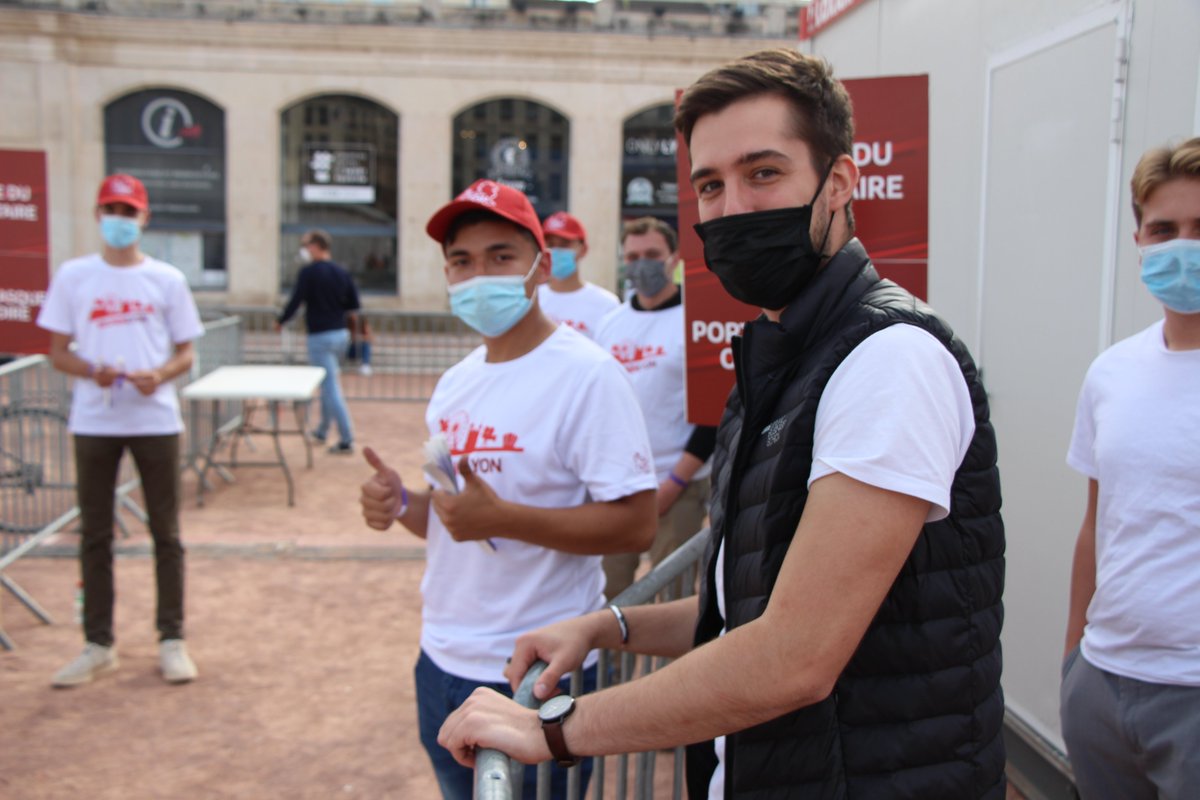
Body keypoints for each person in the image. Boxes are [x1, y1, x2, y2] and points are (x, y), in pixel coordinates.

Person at [437, 48, 1007, 800]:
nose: (733, 207)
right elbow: (746, 608)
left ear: (837, 182)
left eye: (763, 172)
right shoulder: (781, 356)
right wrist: (609, 627)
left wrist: (551, 731)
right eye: (710, 184)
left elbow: (792, 655)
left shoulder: (888, 360)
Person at [357, 179, 658, 800]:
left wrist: (505, 518)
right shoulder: (454, 385)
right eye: (462, 262)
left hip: (536, 671)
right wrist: (399, 503)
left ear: (540, 265)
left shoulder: (588, 376)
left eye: (501, 256)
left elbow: (636, 525)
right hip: (440, 658)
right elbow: (452, 518)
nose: (479, 275)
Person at [1060, 137, 1200, 798]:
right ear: (1139, 239)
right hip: (1103, 686)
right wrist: (1073, 656)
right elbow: (1098, 524)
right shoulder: (1111, 373)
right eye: (1164, 229)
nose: (1182, 246)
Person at [37, 173, 205, 688]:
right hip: (95, 418)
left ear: (144, 218)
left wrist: (159, 374)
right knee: (94, 534)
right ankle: (98, 643)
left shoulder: (167, 280)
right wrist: (92, 371)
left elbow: (186, 352)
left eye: (129, 211)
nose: (120, 220)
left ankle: (171, 639)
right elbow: (56, 350)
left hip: (154, 419)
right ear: (97, 215)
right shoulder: (73, 277)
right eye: (112, 209)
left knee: (166, 534)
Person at [597, 217, 716, 599]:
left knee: (671, 597)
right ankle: (610, 662)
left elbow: (714, 410)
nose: (641, 264)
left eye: (651, 254)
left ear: (674, 258)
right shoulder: (609, 324)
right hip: (619, 488)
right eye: (632, 256)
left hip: (679, 485)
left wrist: (675, 482)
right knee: (608, 595)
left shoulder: (697, 321)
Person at [277, 229, 360, 454]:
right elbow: (353, 304)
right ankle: (323, 430)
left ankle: (346, 438)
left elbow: (295, 301)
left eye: (306, 245)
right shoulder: (341, 272)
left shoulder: (309, 273)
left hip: (320, 336)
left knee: (330, 387)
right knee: (328, 383)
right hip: (340, 334)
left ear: (315, 246)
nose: (303, 249)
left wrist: (281, 320)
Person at [535, 211, 619, 339]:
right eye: (550, 245)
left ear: (583, 249)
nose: (556, 251)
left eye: (565, 244)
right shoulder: (531, 300)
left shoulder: (606, 304)